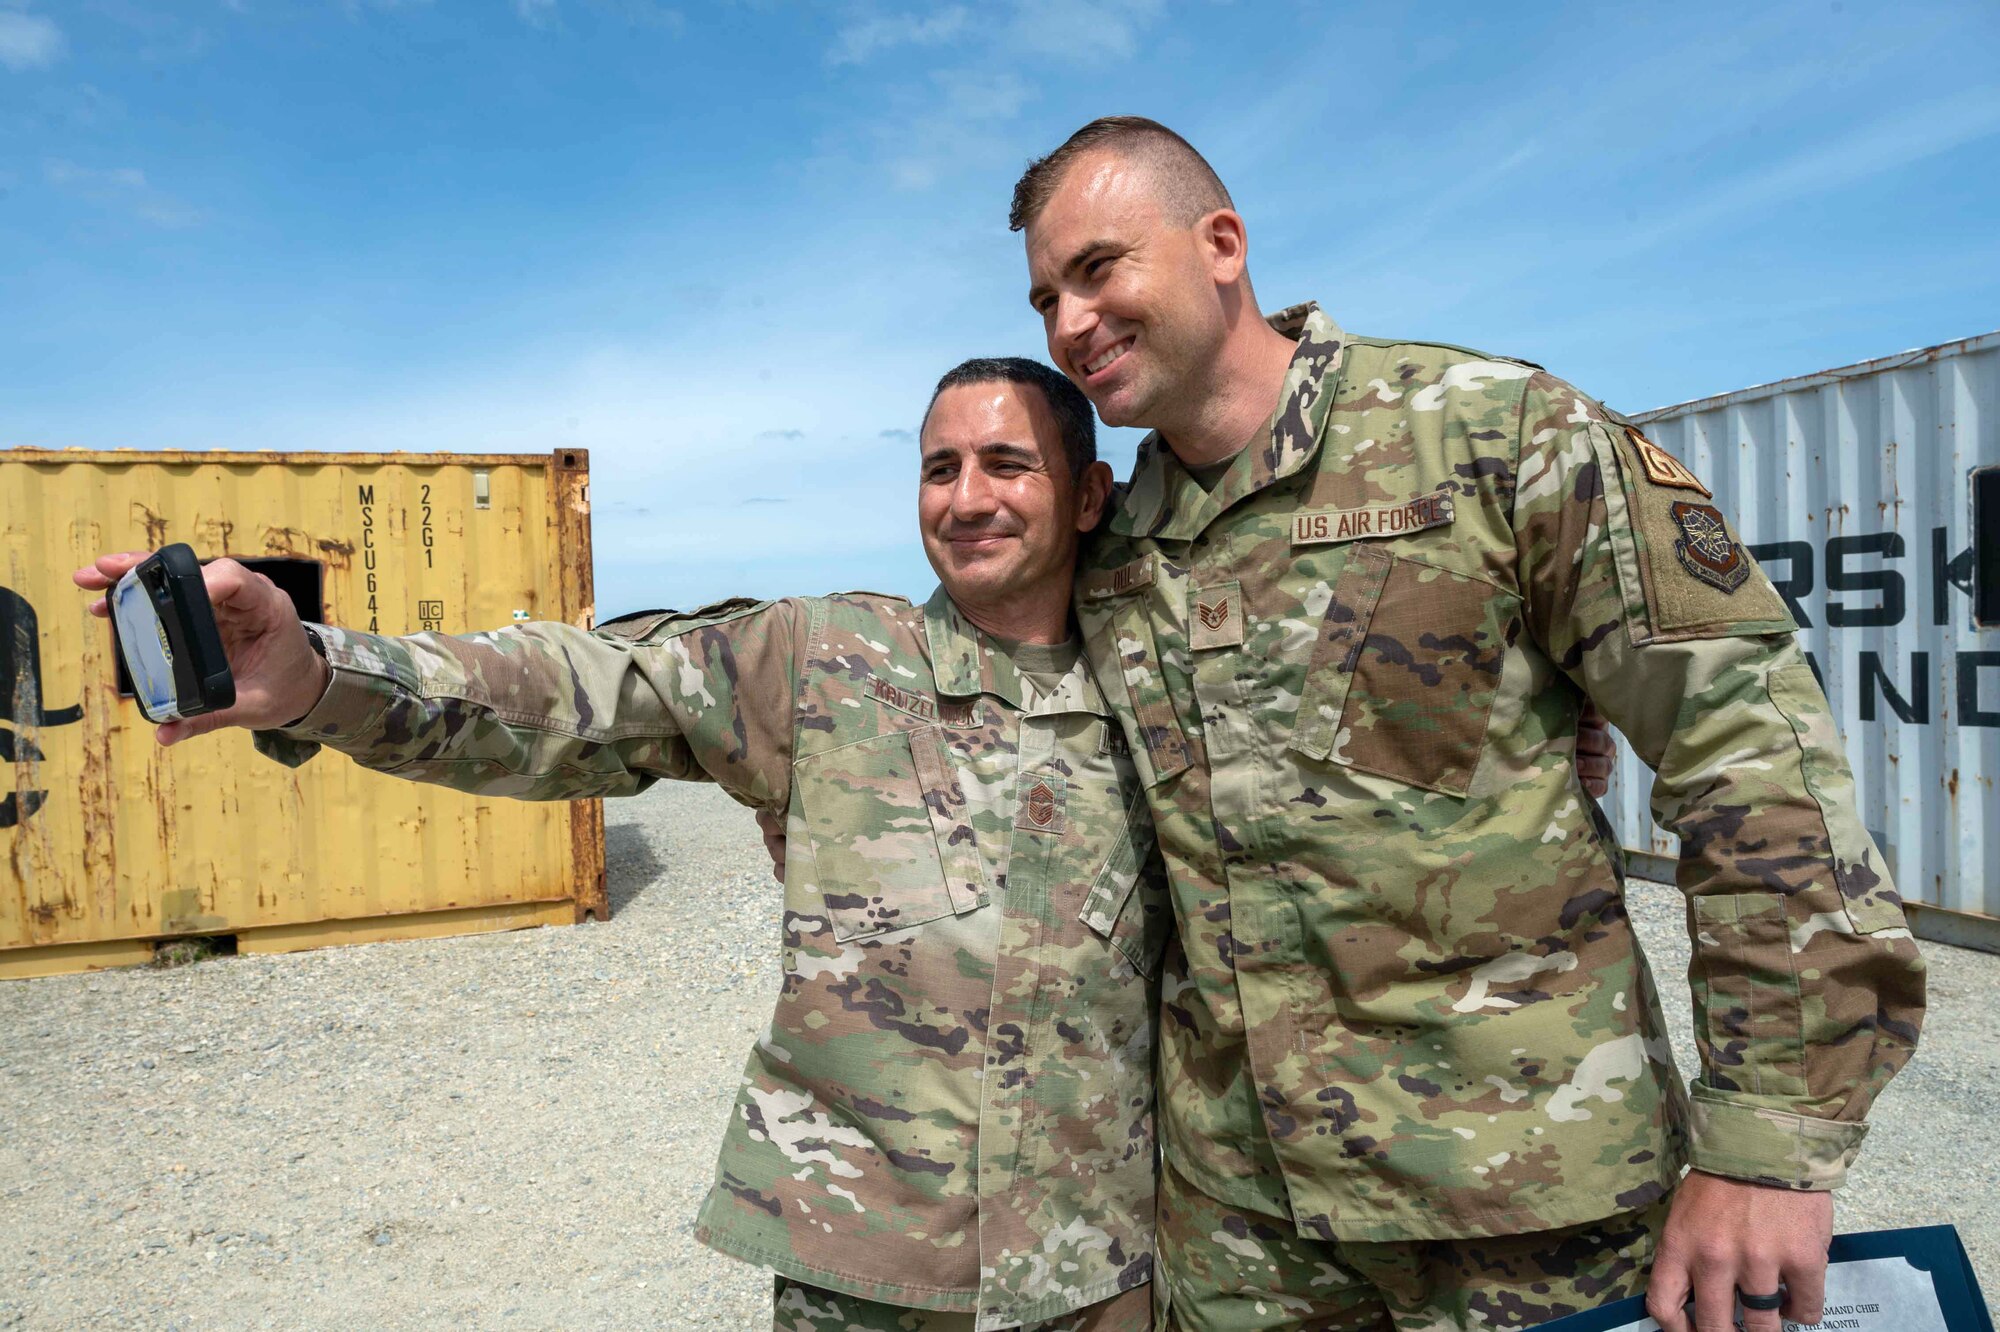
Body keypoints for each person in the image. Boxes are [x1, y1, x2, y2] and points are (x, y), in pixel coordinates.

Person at [1009, 117, 1927, 1332]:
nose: (1070, 323)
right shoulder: (1118, 550)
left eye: (1097, 268)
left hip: (1530, 1208)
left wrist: (1767, 1142)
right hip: (1247, 1234)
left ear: (1220, 244)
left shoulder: (1487, 435)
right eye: (1041, 298)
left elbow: (1746, 754)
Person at [77, 360, 1167, 1332]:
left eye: (1006, 464)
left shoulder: (1167, 695)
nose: (966, 497)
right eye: (939, 468)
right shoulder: (824, 661)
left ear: (1086, 495)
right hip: (868, 1273)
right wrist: (319, 675)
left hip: (1099, 1270)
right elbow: (578, 690)